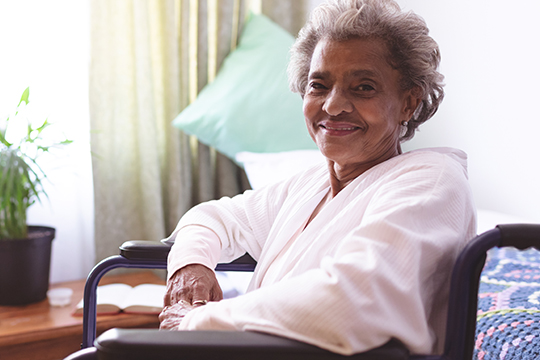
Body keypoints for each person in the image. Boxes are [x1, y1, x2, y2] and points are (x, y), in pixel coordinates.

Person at [159, 0, 477, 356]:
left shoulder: (430, 180)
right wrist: (191, 265)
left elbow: (353, 301)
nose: (333, 105)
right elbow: (212, 217)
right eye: (319, 85)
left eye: (364, 87)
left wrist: (196, 322)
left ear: (408, 103)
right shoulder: (310, 185)